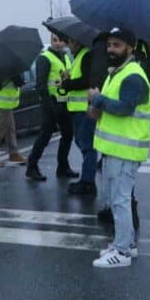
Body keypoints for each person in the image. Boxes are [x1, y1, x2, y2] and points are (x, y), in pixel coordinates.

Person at [88, 26, 150, 268]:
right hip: (115, 149)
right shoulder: (117, 73)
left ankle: (122, 251)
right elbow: (112, 107)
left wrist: (98, 99)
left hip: (125, 150)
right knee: (116, 199)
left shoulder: (132, 75)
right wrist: (97, 107)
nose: (111, 49)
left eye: (117, 45)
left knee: (120, 201)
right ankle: (125, 244)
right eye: (109, 45)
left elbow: (125, 108)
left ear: (130, 48)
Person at [26, 32, 77, 181]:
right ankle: (32, 166)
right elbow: (41, 85)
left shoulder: (65, 57)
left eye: (61, 40)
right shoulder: (45, 58)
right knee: (45, 135)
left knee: (68, 134)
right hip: (51, 103)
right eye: (55, 40)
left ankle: (63, 166)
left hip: (64, 102)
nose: (58, 43)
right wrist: (49, 106)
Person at [60, 37, 97, 195]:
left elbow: (86, 80)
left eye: (70, 42)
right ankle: (87, 180)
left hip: (83, 109)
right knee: (82, 143)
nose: (69, 46)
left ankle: (87, 182)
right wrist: (67, 79)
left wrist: (67, 84)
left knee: (87, 145)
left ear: (77, 41)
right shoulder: (80, 56)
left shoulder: (86, 55)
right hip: (78, 109)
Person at [0, 74, 27, 167]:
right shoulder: (10, 69)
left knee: (10, 128)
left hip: (2, 100)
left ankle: (14, 154)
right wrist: (19, 75)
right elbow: (19, 81)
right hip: (4, 101)